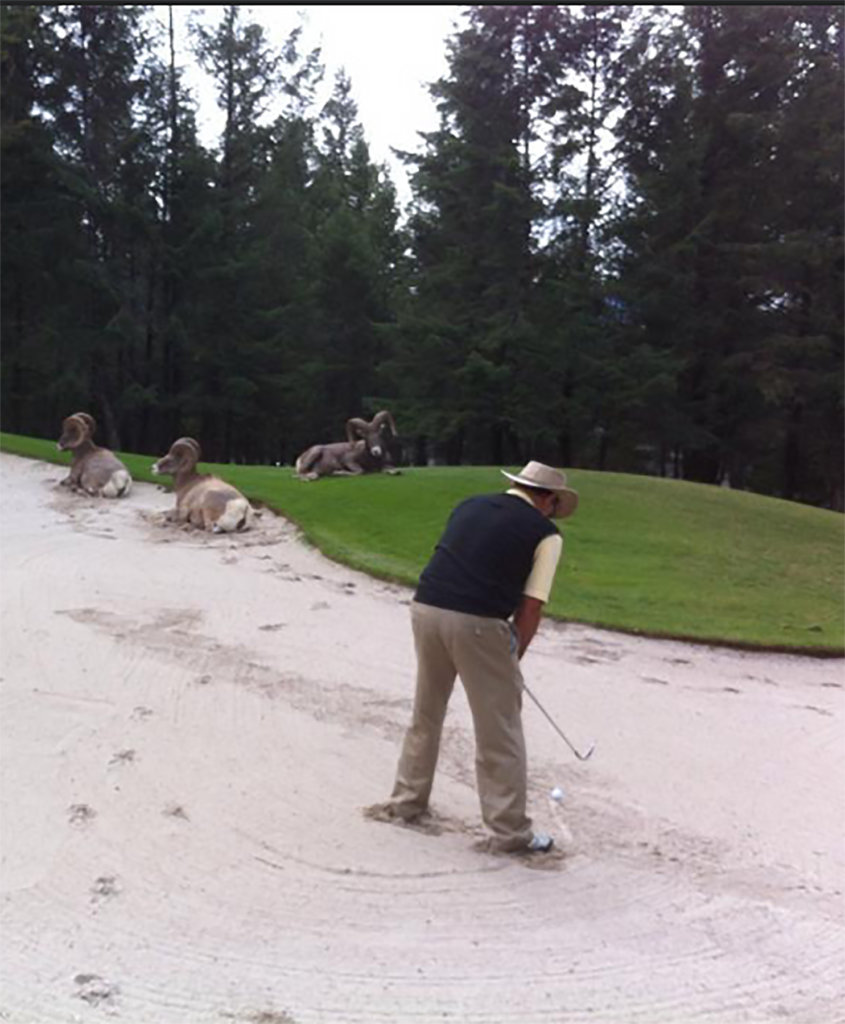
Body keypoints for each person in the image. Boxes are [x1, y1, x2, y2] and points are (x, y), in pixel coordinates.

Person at [385, 461, 579, 854]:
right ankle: (509, 833)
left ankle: (406, 802)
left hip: (425, 609)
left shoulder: (469, 504)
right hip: (477, 623)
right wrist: (514, 657)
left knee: (427, 711)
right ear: (548, 499)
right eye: (555, 506)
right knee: (500, 730)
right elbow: (531, 607)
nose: (554, 513)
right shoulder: (546, 534)